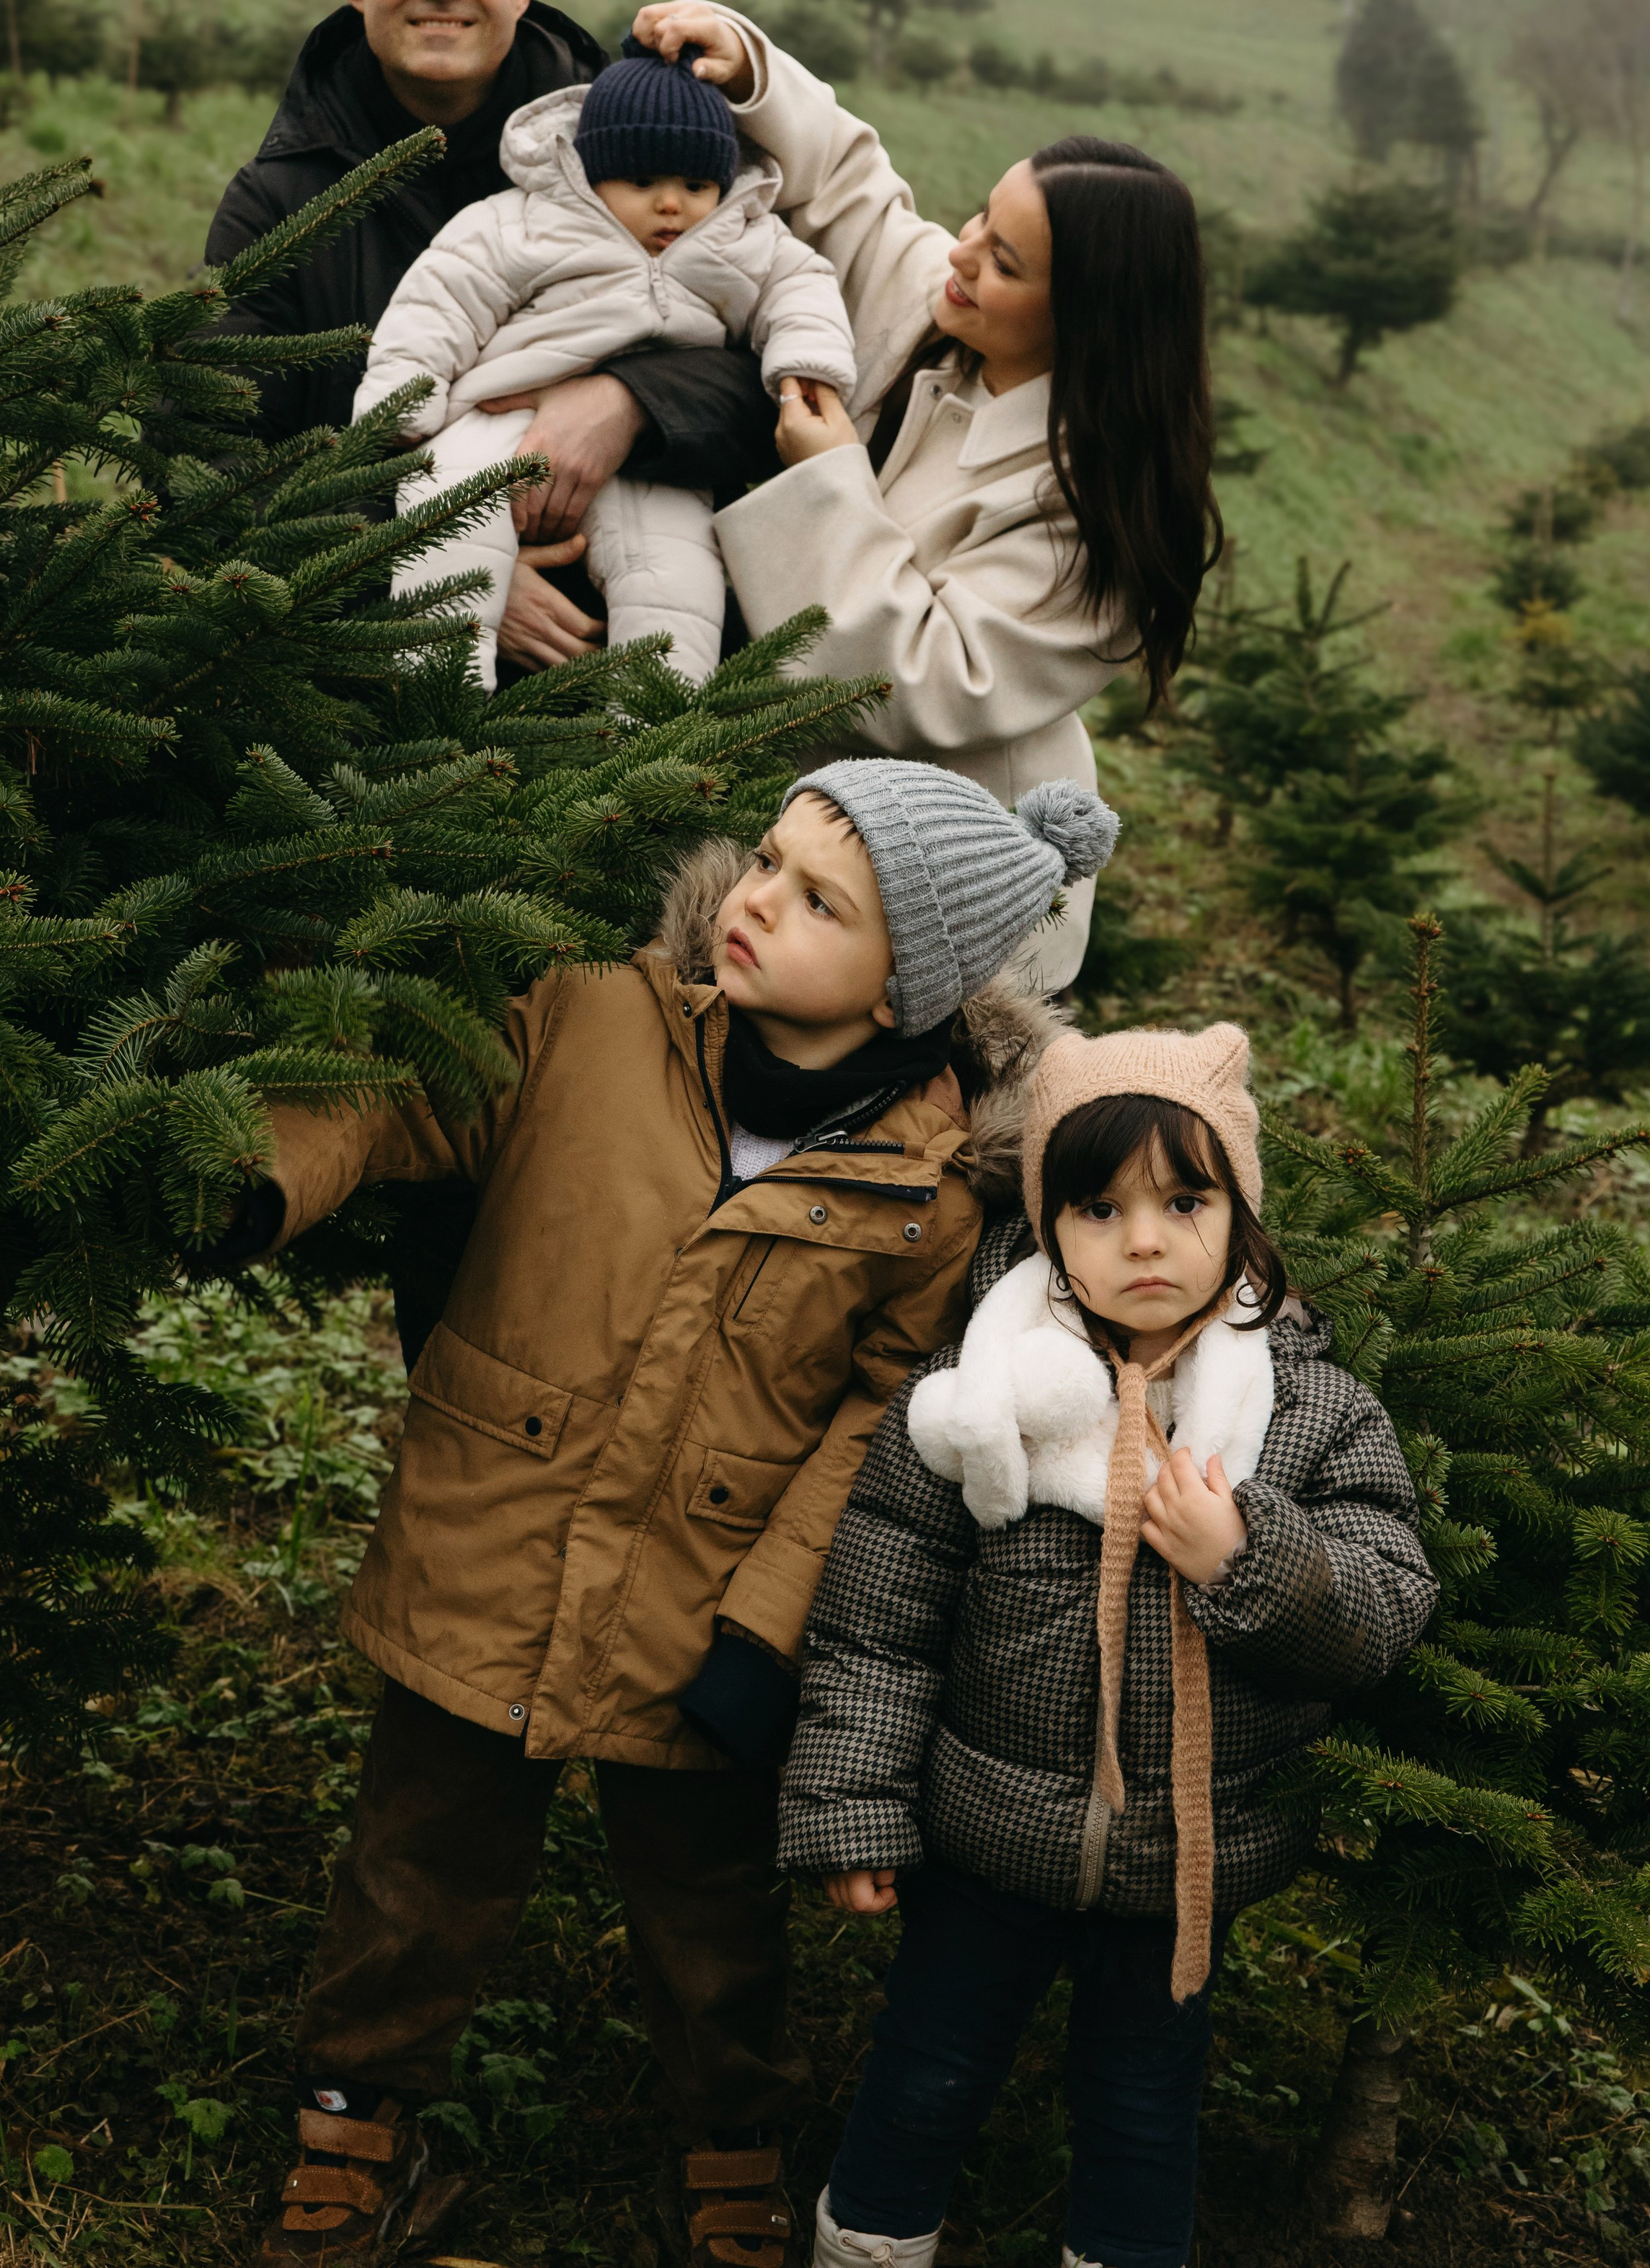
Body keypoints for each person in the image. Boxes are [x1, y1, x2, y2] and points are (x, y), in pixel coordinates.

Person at [212, 764, 1119, 2268]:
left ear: (914, 983)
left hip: (703, 1600)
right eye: (767, 859)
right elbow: (402, 1091)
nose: (756, 900)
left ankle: (730, 2134)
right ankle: (351, 2112)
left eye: (820, 899)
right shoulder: (592, 1021)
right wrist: (258, 1174)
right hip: (490, 1537)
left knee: (710, 1910)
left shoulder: (924, 1187)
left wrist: (772, 1623)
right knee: (414, 1860)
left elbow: (872, 1423)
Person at [780, 1023, 1438, 2268]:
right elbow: (880, 1624)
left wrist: (1247, 1558)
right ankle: (867, 2246)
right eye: (1100, 1206)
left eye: (1185, 1201)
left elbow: (1385, 1606)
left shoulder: (1311, 1416)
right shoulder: (982, 1403)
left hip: (1180, 1869)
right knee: (923, 2075)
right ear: (1048, 1228)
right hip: (984, 1844)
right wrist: (855, 1814)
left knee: (1142, 2115)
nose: (1145, 1240)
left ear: (1238, 1218)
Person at [614, 0, 1225, 991]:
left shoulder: (1098, 519)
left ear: (1088, 322)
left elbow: (922, 686)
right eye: (983, 217)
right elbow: (853, 188)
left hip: (947, 915)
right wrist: (749, 65)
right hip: (809, 860)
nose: (962, 254)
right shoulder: (947, 323)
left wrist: (825, 480)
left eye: (1006, 262)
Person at [202, 0, 778, 674]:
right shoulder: (279, 204)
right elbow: (215, 464)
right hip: (376, 707)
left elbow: (775, 365)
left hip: (638, 690)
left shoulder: (653, 152)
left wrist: (628, 404)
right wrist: (438, 573)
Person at [360, 37, 855, 686]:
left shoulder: (744, 236)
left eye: (696, 184)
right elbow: (442, 296)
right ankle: (437, 699)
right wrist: (401, 399)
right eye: (643, 181)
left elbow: (804, 287)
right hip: (495, 417)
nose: (671, 204)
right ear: (595, 173)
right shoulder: (526, 222)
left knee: (677, 581)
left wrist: (806, 364)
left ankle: (652, 743)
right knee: (448, 527)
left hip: (652, 454)